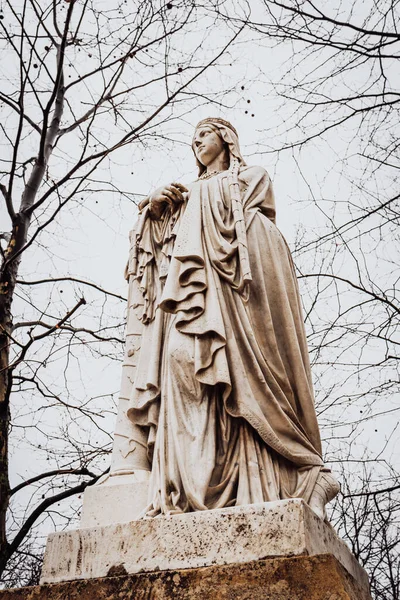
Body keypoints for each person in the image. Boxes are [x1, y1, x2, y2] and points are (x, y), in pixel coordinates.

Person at [126, 117, 339, 519]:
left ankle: (276, 474)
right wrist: (151, 208)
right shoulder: (188, 199)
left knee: (242, 385)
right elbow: (157, 247)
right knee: (178, 362)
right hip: (195, 300)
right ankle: (189, 486)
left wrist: (182, 197)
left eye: (203, 134)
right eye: (191, 139)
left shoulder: (250, 178)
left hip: (237, 306)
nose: (195, 143)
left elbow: (232, 202)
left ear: (226, 139)